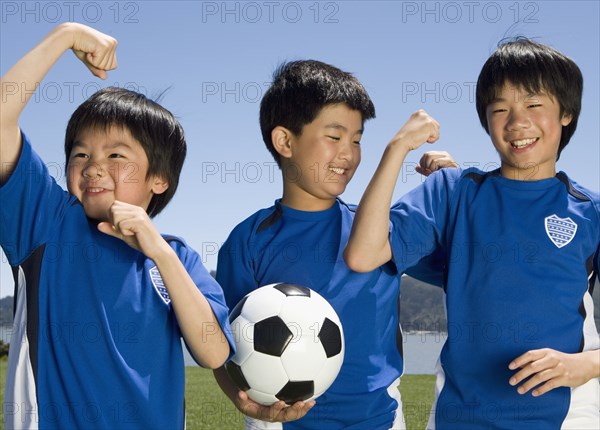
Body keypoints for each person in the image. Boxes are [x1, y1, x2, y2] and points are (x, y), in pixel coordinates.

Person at [344, 38, 600, 429]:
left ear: (566, 112)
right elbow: (363, 254)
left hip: (567, 415)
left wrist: (585, 364)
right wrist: (397, 148)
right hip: (459, 416)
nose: (517, 123)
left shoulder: (591, 211)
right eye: (501, 109)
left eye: (534, 104)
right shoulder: (452, 192)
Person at [0, 23, 233, 429]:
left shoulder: (177, 258)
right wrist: (65, 36)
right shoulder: (47, 223)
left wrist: (157, 251)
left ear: (158, 178)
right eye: (81, 153)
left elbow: (213, 353)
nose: (93, 167)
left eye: (116, 156)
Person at [213, 60, 457, 429]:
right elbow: (220, 348)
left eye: (357, 140)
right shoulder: (247, 241)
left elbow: (466, 271)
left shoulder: (379, 231)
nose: (349, 153)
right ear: (285, 141)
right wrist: (244, 403)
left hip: (383, 419)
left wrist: (451, 193)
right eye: (334, 136)